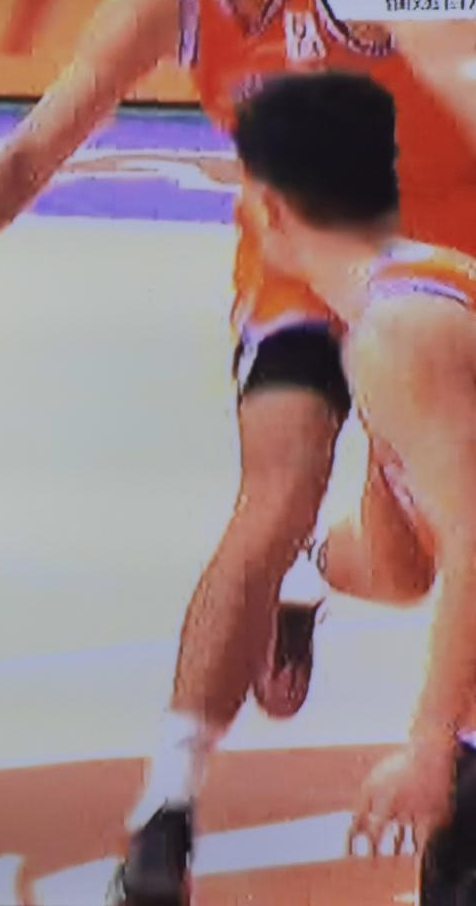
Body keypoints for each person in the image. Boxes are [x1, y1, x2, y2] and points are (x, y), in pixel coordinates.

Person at [0, 0, 476, 900]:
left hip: (434, 259)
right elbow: (43, 137)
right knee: (280, 488)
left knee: (416, 565)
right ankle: (167, 810)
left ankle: (325, 586)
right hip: (304, 255)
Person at [231, 69, 476, 906]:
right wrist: (303, 571)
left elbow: (475, 539)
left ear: (267, 210)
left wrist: (429, 743)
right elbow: (406, 570)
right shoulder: (414, 298)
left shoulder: (400, 338)